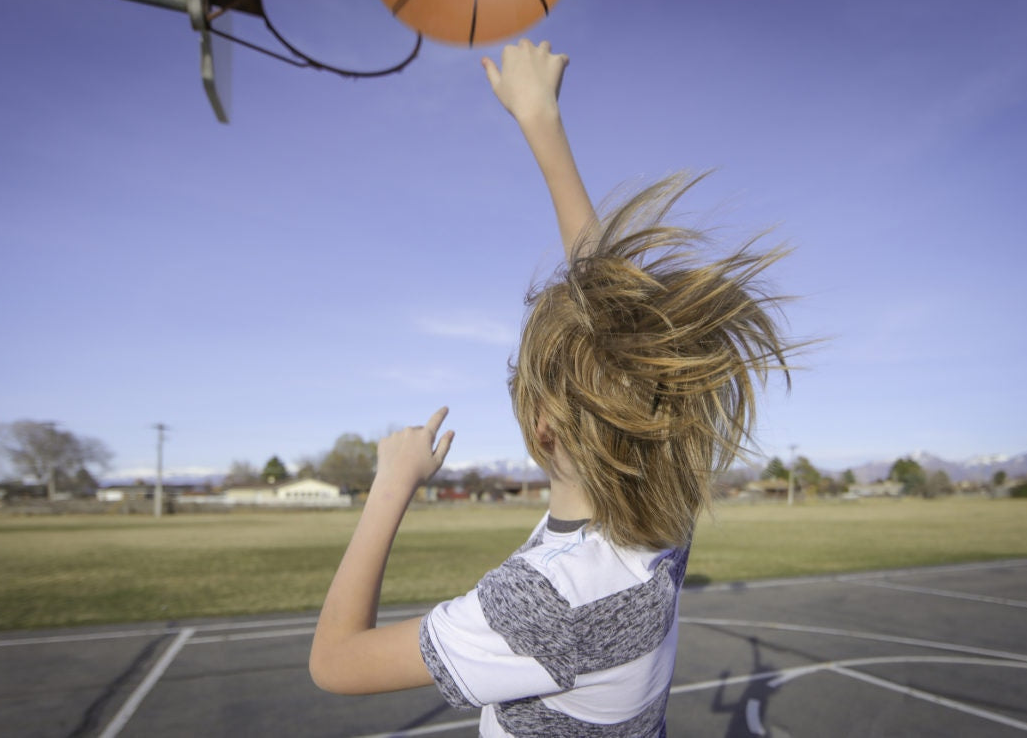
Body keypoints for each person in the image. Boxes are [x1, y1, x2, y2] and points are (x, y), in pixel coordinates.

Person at [309, 39, 792, 737]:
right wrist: (541, 119)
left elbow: (336, 661)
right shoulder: (662, 516)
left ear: (542, 428)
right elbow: (616, 315)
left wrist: (392, 484)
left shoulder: (545, 600)